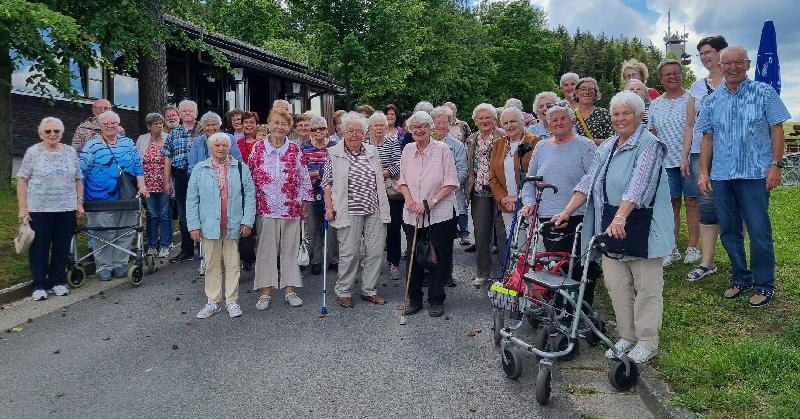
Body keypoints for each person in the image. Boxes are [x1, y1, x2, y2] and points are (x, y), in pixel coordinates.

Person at [553, 91, 673, 364]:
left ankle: (646, 340)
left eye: (626, 113)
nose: (620, 119)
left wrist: (620, 218)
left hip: (642, 225)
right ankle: (627, 336)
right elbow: (588, 181)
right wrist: (567, 210)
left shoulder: (649, 144)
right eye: (616, 114)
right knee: (617, 285)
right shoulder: (608, 146)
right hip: (609, 225)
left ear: (639, 115)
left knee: (646, 287)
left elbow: (639, 186)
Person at [697, 46, 791, 308]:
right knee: (728, 230)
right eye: (727, 63)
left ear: (748, 65)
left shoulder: (764, 93)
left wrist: (775, 164)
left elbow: (777, 129)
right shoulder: (712, 100)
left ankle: (764, 284)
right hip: (722, 176)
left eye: (739, 62)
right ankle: (740, 277)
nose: (733, 67)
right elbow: (706, 137)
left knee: (759, 232)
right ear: (720, 67)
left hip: (755, 175)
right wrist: (704, 172)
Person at [519, 101, 599, 305]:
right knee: (555, 266)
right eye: (554, 119)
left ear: (572, 120)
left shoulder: (585, 145)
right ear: (547, 124)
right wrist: (528, 203)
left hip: (578, 215)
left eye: (563, 118)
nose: (559, 122)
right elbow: (530, 181)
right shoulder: (542, 147)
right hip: (548, 216)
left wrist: (571, 210)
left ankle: (582, 310)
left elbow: (593, 180)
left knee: (580, 267)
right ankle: (559, 309)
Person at [322, 112, 390, 308]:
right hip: (348, 209)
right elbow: (327, 183)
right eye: (350, 131)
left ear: (364, 133)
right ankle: (344, 290)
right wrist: (329, 206)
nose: (354, 135)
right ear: (342, 131)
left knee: (375, 251)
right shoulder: (333, 152)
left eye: (358, 131)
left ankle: (369, 289)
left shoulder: (372, 151)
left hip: (374, 208)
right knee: (350, 253)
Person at [248, 108, 313, 310]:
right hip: (265, 206)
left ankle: (290, 289)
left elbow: (304, 178)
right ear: (268, 123)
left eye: (283, 124)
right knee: (266, 250)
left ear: (289, 127)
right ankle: (265, 291)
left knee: (289, 249)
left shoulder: (294, 149)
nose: (279, 127)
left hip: (291, 207)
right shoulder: (258, 148)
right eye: (275, 123)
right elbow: (249, 178)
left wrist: (305, 204)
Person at [187, 132, 256, 319]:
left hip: (234, 223)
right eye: (217, 145)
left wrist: (247, 220)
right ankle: (213, 302)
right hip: (209, 225)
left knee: (233, 264)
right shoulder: (199, 169)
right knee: (211, 264)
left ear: (229, 147)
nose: (220, 148)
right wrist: (194, 225)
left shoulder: (241, 168)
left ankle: (232, 301)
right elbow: (192, 199)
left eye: (224, 145)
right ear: (210, 147)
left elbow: (250, 196)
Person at [398, 111, 459, 317]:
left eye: (423, 126)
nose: (418, 130)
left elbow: (451, 182)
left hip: (439, 213)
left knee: (438, 257)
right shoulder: (406, 149)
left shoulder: (443, 149)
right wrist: (409, 200)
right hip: (412, 212)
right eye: (414, 127)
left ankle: (435, 299)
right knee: (413, 255)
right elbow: (402, 181)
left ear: (431, 128)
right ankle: (414, 299)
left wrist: (429, 203)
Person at [17, 117, 84, 300]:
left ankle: (57, 281)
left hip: (66, 207)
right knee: (39, 247)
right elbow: (22, 179)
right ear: (41, 134)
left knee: (62, 247)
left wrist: (79, 202)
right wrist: (23, 208)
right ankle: (38, 284)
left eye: (56, 131)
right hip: (39, 208)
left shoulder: (70, 152)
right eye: (48, 131)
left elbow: (78, 179)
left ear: (62, 133)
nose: (52, 134)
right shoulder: (33, 152)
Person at [80, 111, 147, 280]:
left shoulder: (128, 143)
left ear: (119, 125)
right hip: (99, 198)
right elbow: (81, 172)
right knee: (103, 233)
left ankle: (120, 264)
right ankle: (104, 266)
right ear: (100, 126)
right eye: (106, 124)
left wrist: (142, 187)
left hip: (127, 196)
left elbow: (138, 167)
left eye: (113, 123)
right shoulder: (92, 145)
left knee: (125, 231)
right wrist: (79, 198)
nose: (110, 126)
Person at [682, 35, 728, 282]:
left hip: (731, 151)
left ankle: (737, 258)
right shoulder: (697, 87)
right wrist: (684, 155)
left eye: (708, 51)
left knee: (735, 202)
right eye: (701, 53)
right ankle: (707, 261)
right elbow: (690, 124)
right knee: (707, 203)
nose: (704, 56)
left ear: (722, 52)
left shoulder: (736, 81)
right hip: (701, 151)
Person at [648, 59, 696, 267]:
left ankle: (693, 247)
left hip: (690, 159)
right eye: (668, 74)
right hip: (666, 163)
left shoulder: (691, 99)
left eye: (676, 73)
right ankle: (672, 248)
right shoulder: (656, 105)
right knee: (671, 205)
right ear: (661, 79)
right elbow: (652, 134)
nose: (673, 77)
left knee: (693, 202)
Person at [466, 103, 507, 287]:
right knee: (481, 234)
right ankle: (483, 272)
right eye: (480, 118)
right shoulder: (472, 139)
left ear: (494, 119)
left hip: (501, 192)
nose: (484, 121)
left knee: (503, 233)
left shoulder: (503, 136)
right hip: (479, 191)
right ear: (475, 121)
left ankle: (508, 273)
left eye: (487, 117)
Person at [489, 107, 540, 236]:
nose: (509, 126)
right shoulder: (497, 144)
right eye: (505, 123)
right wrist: (503, 198)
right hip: (508, 205)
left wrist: (521, 198)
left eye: (513, 121)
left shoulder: (536, 142)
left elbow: (539, 174)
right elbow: (492, 176)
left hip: (530, 204)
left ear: (522, 122)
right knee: (515, 246)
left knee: (532, 246)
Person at [368, 111, 404, 280]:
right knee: (371, 229)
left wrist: (385, 172)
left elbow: (399, 162)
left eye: (382, 125)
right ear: (370, 127)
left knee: (393, 228)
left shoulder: (392, 142)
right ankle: (370, 263)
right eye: (376, 125)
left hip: (390, 191)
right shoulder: (364, 144)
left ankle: (393, 262)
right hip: (368, 191)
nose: (379, 128)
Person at [163, 99, 200, 263]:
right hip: (180, 176)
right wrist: (167, 181)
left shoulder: (202, 131)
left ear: (196, 113)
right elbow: (167, 159)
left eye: (190, 111)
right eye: (184, 111)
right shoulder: (173, 134)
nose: (187, 113)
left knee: (202, 210)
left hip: (200, 176)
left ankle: (203, 249)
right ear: (179, 114)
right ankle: (187, 250)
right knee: (184, 212)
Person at [301, 115, 338, 275]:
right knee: (314, 228)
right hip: (311, 192)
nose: (318, 132)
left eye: (321, 128)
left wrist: (320, 174)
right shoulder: (304, 147)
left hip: (331, 192)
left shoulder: (334, 146)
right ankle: (316, 259)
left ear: (327, 130)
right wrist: (318, 173)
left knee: (331, 227)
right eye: (314, 129)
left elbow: (338, 169)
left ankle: (332, 258)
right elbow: (301, 172)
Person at [136, 113, 172, 258]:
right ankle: (151, 245)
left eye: (160, 123)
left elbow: (170, 161)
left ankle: (165, 245)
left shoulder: (167, 138)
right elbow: (138, 162)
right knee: (151, 214)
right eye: (155, 124)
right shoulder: (142, 139)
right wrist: (141, 185)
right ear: (149, 126)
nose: (158, 126)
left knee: (164, 214)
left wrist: (168, 182)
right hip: (148, 184)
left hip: (164, 182)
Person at [432, 106, 469, 247]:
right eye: (438, 122)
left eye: (445, 122)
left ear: (450, 124)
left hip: (451, 194)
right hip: (428, 194)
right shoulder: (424, 142)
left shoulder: (457, 145)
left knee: (445, 234)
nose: (441, 126)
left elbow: (462, 170)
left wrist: (447, 187)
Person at [574, 77, 614, 145]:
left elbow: (613, 140)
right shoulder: (570, 115)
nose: (587, 92)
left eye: (590, 90)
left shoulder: (603, 113)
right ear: (577, 93)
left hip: (599, 154)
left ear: (595, 94)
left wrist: (590, 142)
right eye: (583, 89)